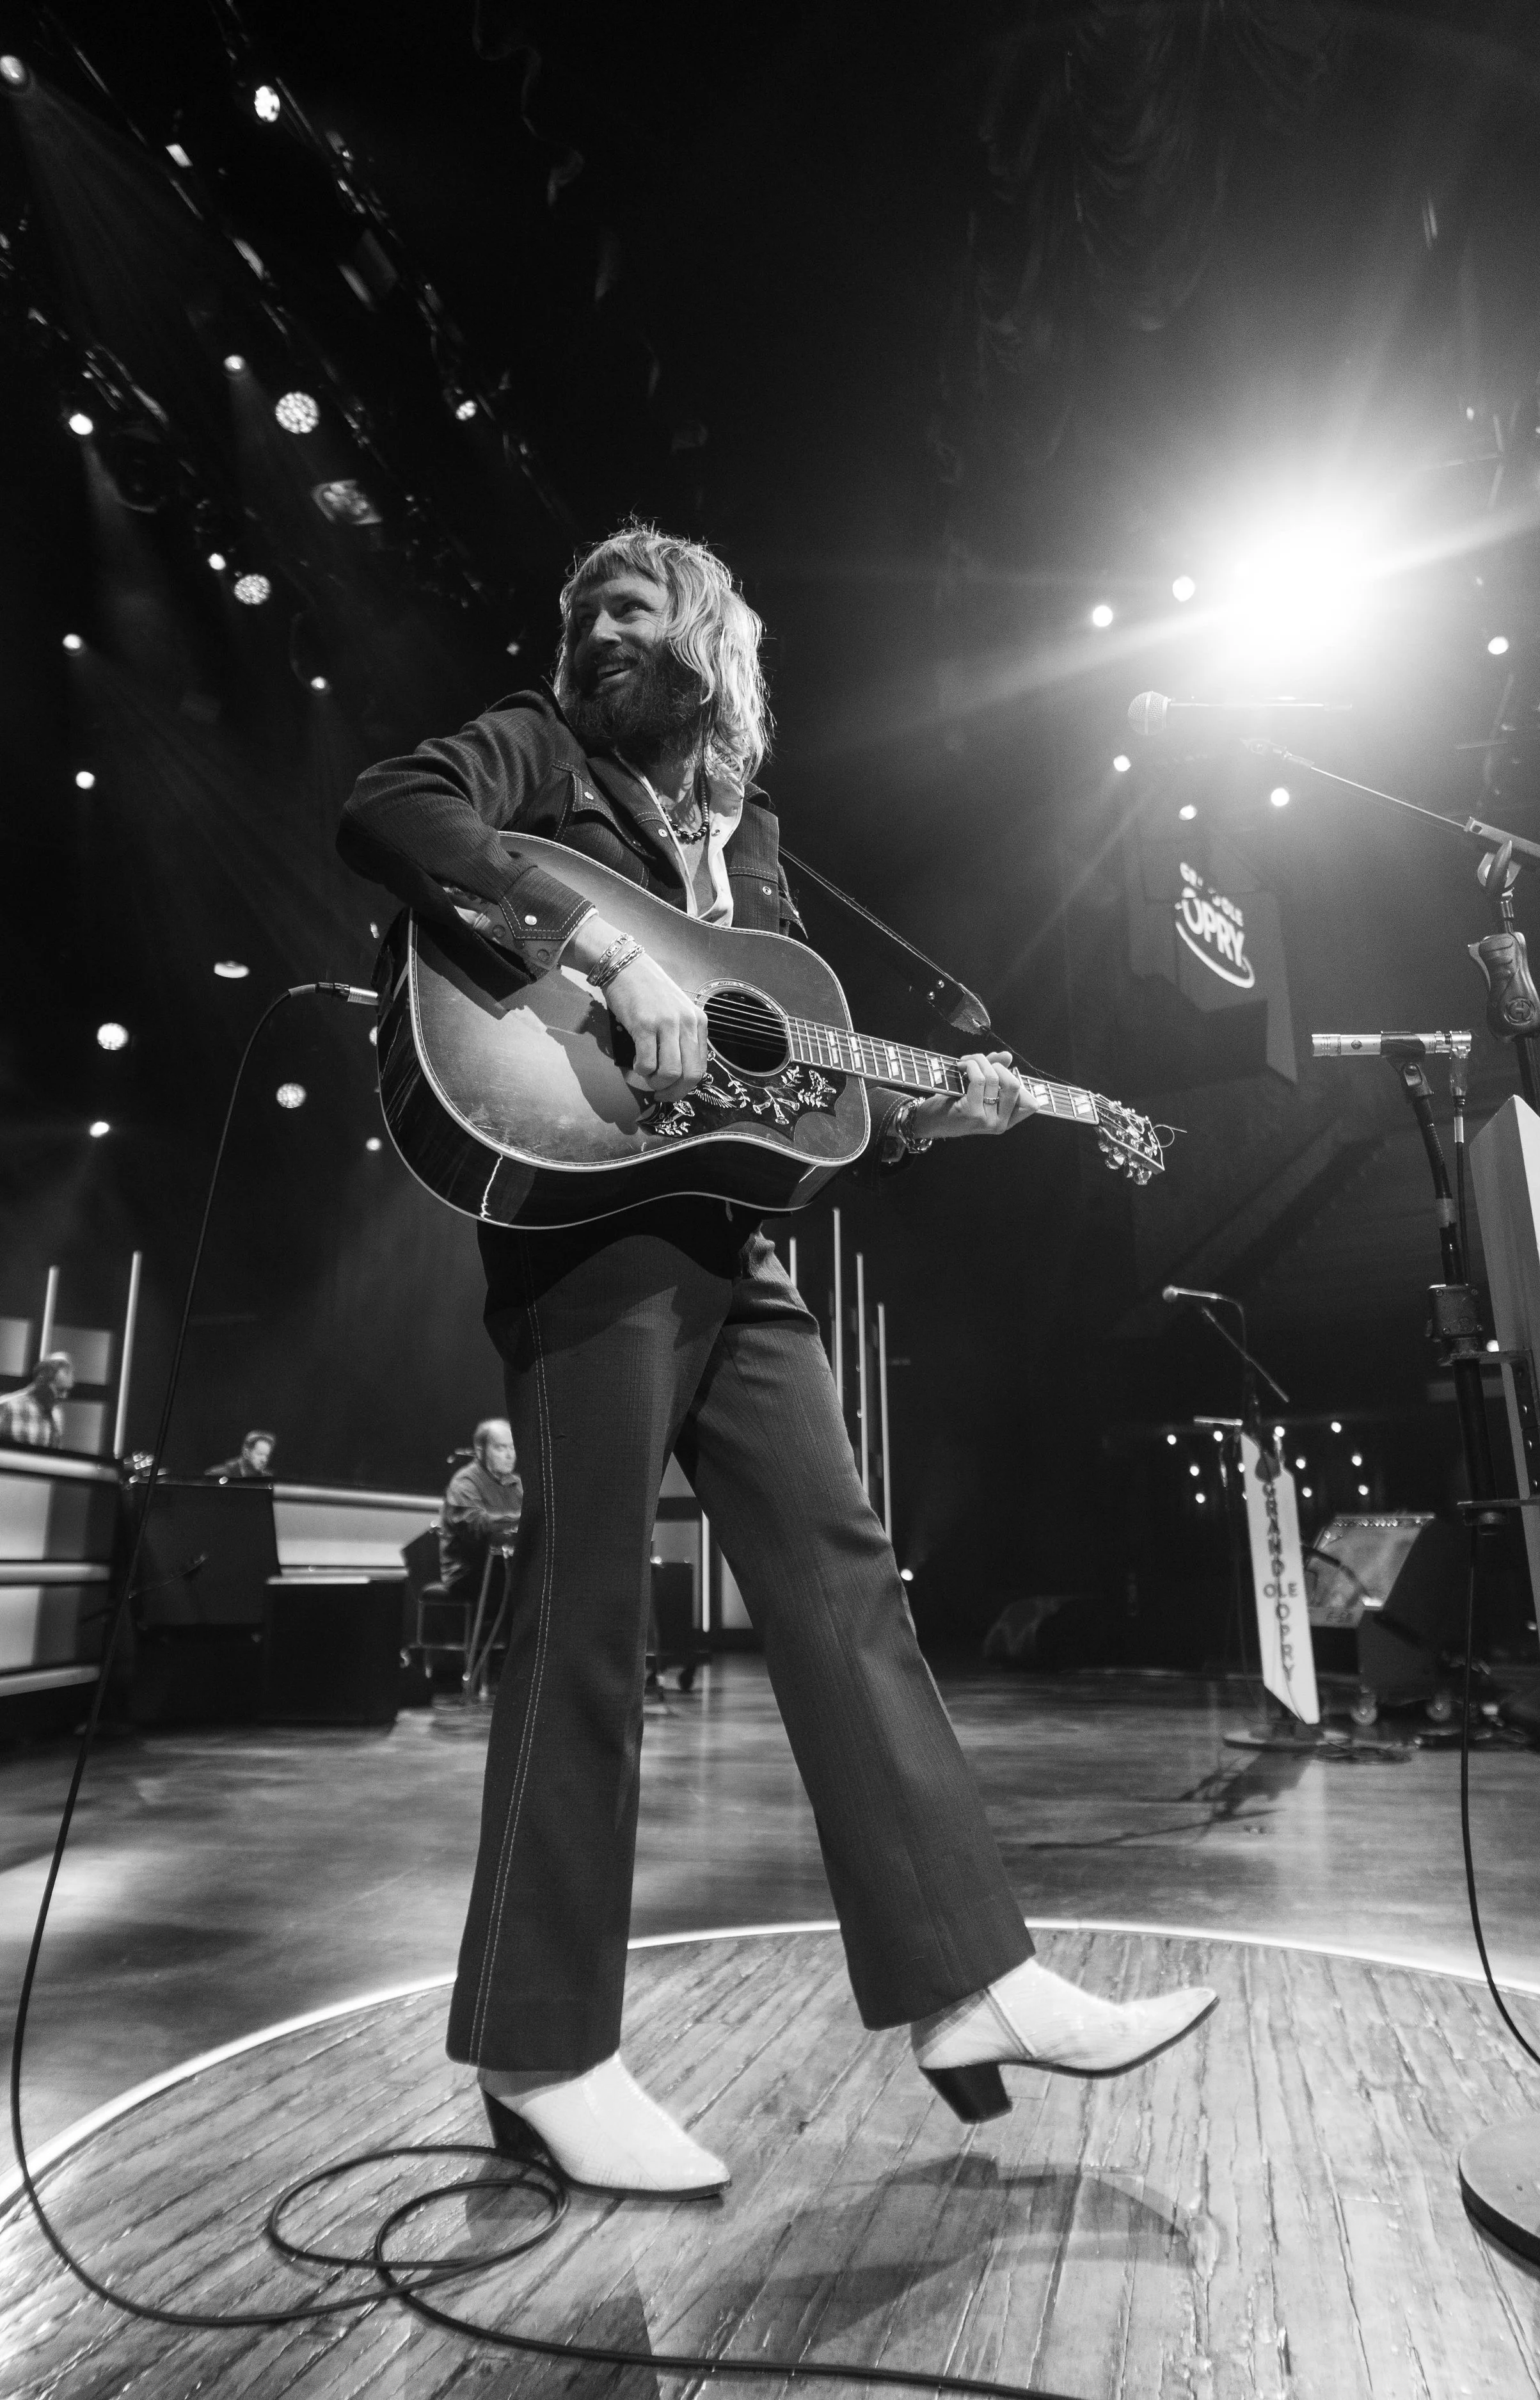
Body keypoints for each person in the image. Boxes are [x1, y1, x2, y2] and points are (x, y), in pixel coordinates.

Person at [338, 523, 1214, 2201]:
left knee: (842, 1581)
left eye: (631, 604)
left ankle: (970, 1975)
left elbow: (801, 1081)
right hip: (586, 1235)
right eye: (579, 600)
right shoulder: (537, 748)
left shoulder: (755, 842)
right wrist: (601, 949)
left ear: (718, 644)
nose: (595, 625)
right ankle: (538, 2049)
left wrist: (941, 1111)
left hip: (729, 1243)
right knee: (586, 1611)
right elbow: (388, 808)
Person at [440, 1418, 524, 1594]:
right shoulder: (465, 1482)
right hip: (467, 1571)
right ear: (481, 1451)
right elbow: (476, 1527)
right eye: (501, 1448)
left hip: (503, 1564)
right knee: (523, 1585)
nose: (510, 1455)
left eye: (512, 1447)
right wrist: (523, 1519)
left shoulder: (517, 1486)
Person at [0, 1352, 74, 1450]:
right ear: (42, 1382)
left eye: (67, 1390)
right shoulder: (7, 1406)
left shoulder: (57, 1413)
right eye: (60, 1390)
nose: (64, 1396)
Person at [203, 1430, 276, 1481]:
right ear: (246, 1453)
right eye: (260, 1454)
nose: (264, 1460)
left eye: (267, 1456)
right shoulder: (217, 1475)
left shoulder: (267, 1478)